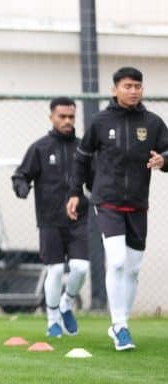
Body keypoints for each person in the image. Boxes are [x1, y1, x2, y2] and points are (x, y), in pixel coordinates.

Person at [67, 66, 168, 351]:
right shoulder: (100, 122)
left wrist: (164, 160)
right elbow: (81, 159)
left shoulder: (153, 123)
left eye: (137, 86)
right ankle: (120, 325)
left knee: (133, 270)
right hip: (107, 200)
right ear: (114, 90)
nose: (133, 90)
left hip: (137, 204)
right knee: (118, 261)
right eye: (127, 86)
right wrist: (76, 192)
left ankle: (122, 324)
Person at [12, 97, 90, 338]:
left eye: (71, 117)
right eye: (62, 116)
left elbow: (98, 180)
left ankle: (67, 302)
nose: (67, 121)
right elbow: (20, 175)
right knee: (55, 271)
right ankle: (52, 318)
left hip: (78, 219)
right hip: (49, 220)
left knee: (81, 268)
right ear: (52, 117)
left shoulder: (83, 148)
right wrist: (22, 188)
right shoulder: (40, 148)